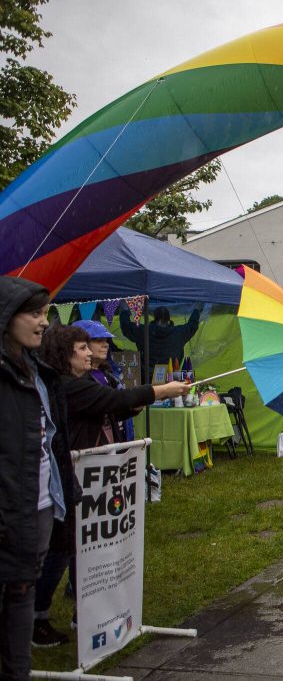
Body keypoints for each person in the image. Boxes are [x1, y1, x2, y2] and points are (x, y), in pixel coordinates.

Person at [32, 325, 189, 647]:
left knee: (85, 545)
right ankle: (37, 617)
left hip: (96, 473)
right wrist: (160, 392)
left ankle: (86, 609)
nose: (91, 352)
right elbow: (109, 399)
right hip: (70, 475)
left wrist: (138, 402)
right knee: (61, 548)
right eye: (83, 348)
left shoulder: (84, 381)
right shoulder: (64, 386)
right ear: (64, 353)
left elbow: (113, 404)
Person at [0, 276, 75, 677]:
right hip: (10, 513)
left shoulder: (39, 374)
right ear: (6, 317)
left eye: (45, 312)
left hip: (42, 506)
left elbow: (49, 444)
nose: (44, 322)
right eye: (34, 313)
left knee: (21, 599)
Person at [119, 304, 201, 376]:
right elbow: (192, 325)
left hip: (147, 378)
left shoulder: (143, 331)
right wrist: (196, 310)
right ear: (169, 319)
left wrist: (124, 310)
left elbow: (126, 326)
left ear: (155, 319)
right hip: (171, 378)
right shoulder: (179, 333)